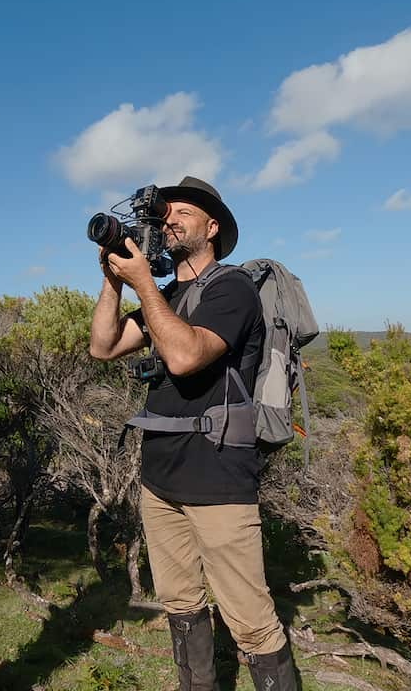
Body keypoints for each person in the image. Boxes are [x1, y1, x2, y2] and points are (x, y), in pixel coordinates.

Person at [89, 177, 299, 690]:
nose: (171, 218)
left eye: (185, 212)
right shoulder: (166, 297)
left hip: (219, 477)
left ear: (212, 228)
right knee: (181, 605)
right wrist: (115, 281)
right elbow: (103, 346)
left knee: (251, 623)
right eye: (168, 210)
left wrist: (140, 285)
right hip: (159, 476)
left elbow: (184, 356)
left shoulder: (233, 289)